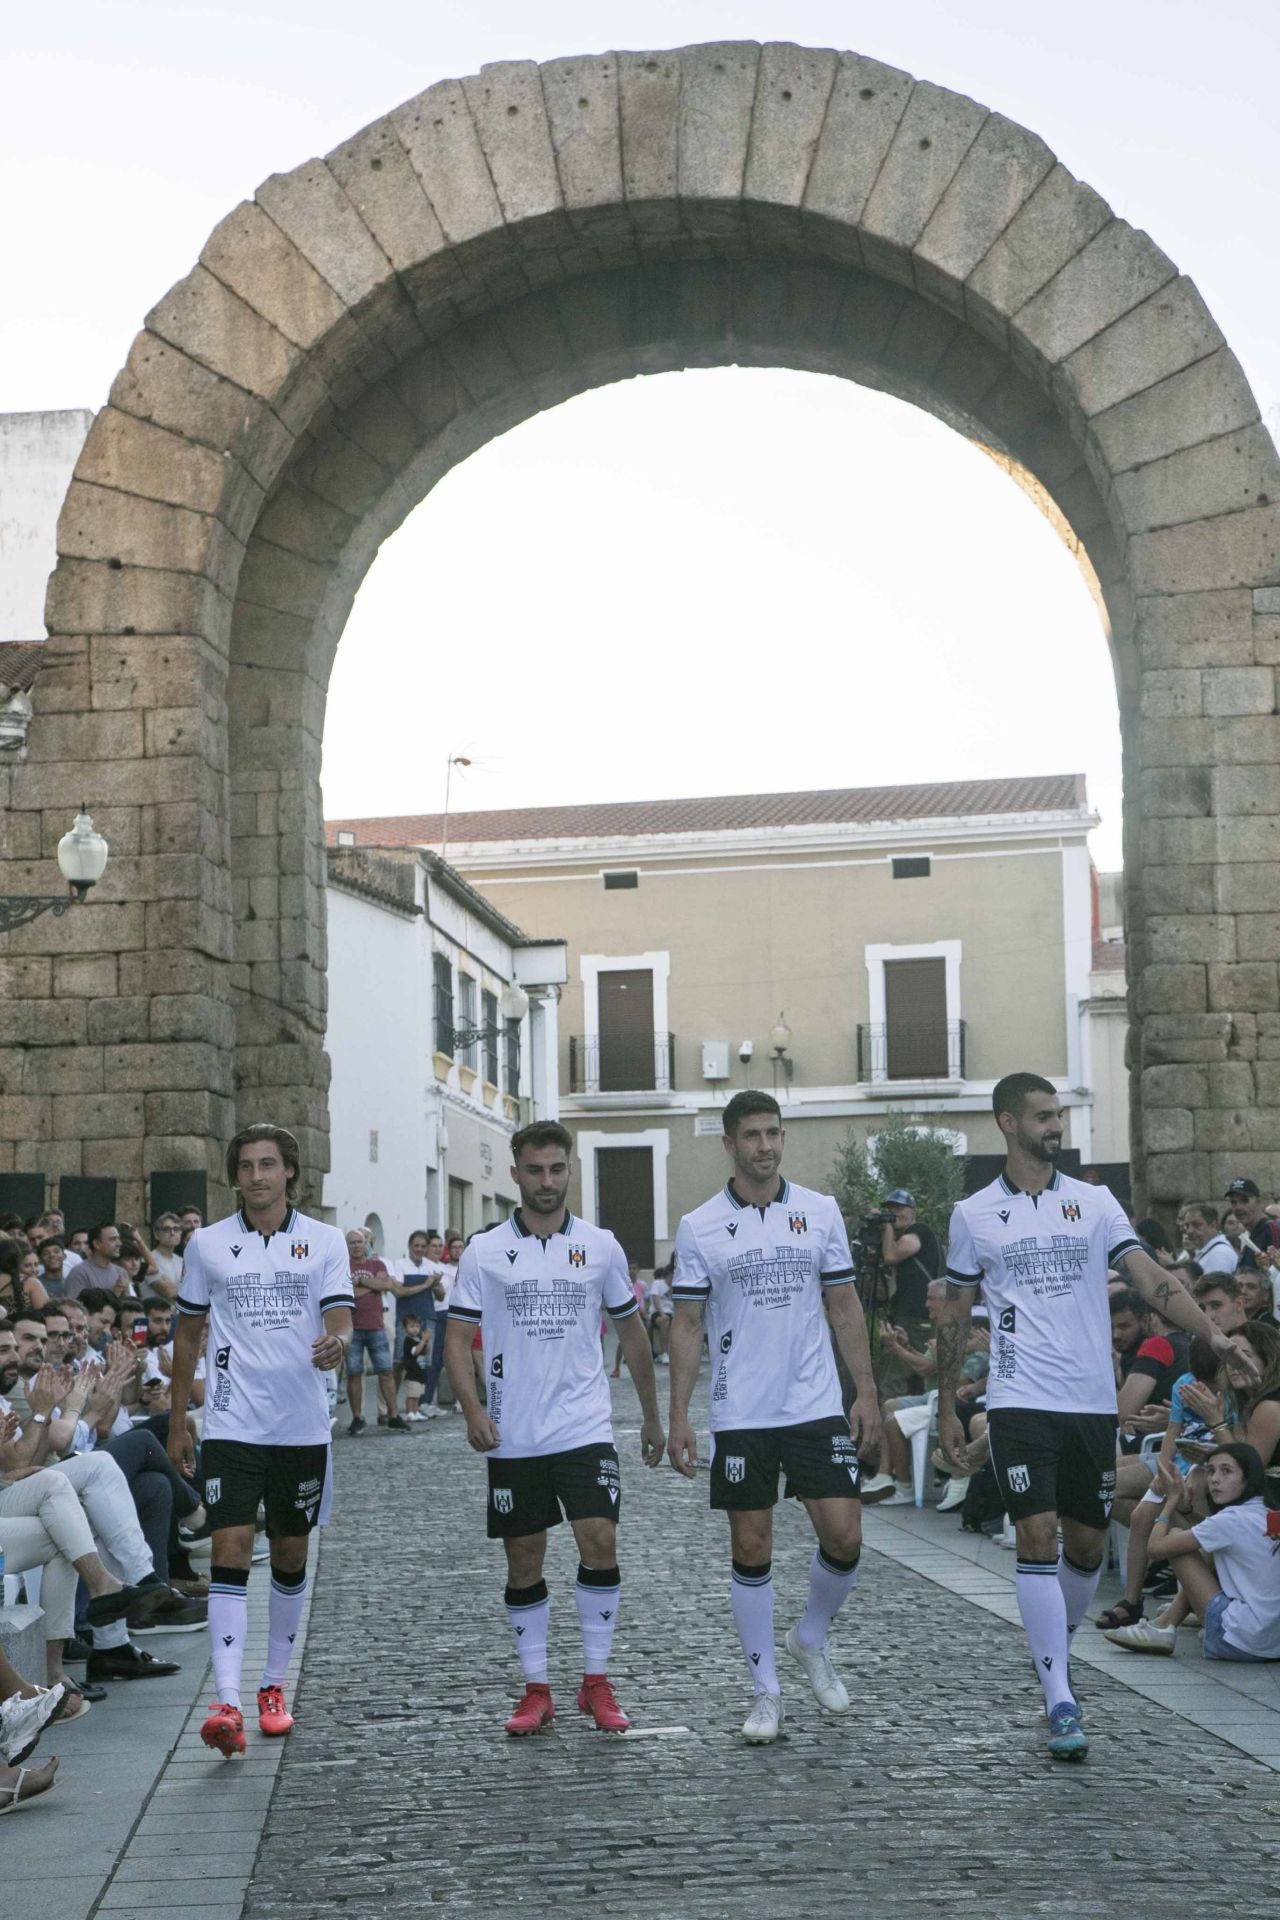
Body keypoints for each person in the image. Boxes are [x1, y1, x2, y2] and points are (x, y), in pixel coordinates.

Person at [936, 1071, 1256, 1762]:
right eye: (1044, 1117)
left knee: (1084, 1548)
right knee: (1037, 1534)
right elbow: (957, 1317)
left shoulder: (1094, 1202)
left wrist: (1216, 1335)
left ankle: (1055, 1652)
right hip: (1019, 1398)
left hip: (1087, 1402)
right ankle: (1059, 1697)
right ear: (1008, 1123)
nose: (1056, 1127)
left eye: (1059, 1116)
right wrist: (944, 1407)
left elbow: (1154, 1282)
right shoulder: (974, 1215)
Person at [667, 1090, 881, 1745]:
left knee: (844, 1536)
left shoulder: (819, 1212)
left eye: (774, 1133)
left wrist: (867, 1392)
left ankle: (810, 1636)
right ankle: (766, 1693)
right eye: (752, 1135)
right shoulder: (700, 1225)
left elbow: (843, 1306)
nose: (765, 1145)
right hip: (742, 1412)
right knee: (751, 1546)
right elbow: (687, 1323)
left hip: (814, 1404)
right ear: (729, 1143)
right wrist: (679, 1415)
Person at [444, 1121, 664, 1737]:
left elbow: (632, 1333)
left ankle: (596, 1680)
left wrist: (649, 1415)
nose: (547, 1181)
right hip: (514, 1434)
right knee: (525, 1558)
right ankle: (535, 1686)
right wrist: (473, 1411)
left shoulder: (600, 1246)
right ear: (515, 1173)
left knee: (599, 1540)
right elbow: (456, 1341)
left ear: (571, 1171)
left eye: (557, 1169)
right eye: (535, 1170)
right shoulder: (485, 1251)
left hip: (584, 1427)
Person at [167, 1122, 354, 1757]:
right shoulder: (208, 1245)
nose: (257, 1176)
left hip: (300, 1426)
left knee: (291, 1554)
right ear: (236, 1175)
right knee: (231, 1545)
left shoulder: (325, 1241)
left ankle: (274, 1685)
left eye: (268, 1165)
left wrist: (339, 1341)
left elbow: (340, 1315)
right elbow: (188, 1337)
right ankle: (226, 1701)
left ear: (289, 1173)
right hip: (231, 1423)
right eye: (246, 1165)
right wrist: (176, 1422)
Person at [1117, 1445, 1280, 1661]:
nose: (1214, 1479)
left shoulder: (1230, 1520)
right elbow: (1207, 1532)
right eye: (1211, 1471)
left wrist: (1170, 1502)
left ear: (1248, 1478)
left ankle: (1165, 1626)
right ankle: (1166, 1623)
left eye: (1226, 1471)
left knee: (1175, 1537)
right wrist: (1185, 1511)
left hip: (1242, 1640)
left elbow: (1156, 1548)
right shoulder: (1267, 1511)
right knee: (1196, 1543)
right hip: (1272, 1642)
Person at [345, 1228, 408, 1434]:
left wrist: (362, 1282)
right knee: (354, 1373)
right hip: (352, 1328)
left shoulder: (377, 1264)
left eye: (359, 1242)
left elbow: (386, 1285)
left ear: (366, 1243)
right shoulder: (342, 1265)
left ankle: (393, 1415)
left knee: (386, 1372)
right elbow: (345, 1292)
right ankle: (357, 1418)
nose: (356, 1245)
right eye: (351, 1242)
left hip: (376, 1326)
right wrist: (374, 1286)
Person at [878, 1189, 941, 1351]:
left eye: (899, 1209)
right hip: (909, 1316)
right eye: (890, 1210)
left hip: (915, 1317)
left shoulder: (919, 1230)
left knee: (900, 1372)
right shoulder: (901, 1238)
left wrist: (887, 1224)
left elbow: (890, 1256)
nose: (894, 1214)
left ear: (914, 1212)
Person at [390, 1229, 447, 1404]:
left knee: (425, 1363)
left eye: (423, 1246)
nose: (420, 1249)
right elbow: (398, 1292)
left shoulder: (432, 1266)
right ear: (409, 1246)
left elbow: (441, 1295)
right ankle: (389, 1408)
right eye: (416, 1245)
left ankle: (420, 1404)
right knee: (400, 1362)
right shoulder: (399, 1264)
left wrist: (435, 1285)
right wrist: (426, 1284)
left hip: (427, 1318)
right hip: (405, 1320)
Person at [61, 1225, 128, 1300]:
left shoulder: (121, 1272)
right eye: (113, 1239)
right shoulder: (80, 1273)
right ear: (97, 1244)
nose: (119, 1243)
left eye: (119, 1239)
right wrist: (113, 1294)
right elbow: (73, 1308)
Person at [1177, 1203, 1237, 1276]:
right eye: (1186, 1225)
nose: (1189, 1231)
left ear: (1213, 1225)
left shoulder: (1219, 1255)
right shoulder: (1206, 1251)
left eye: (1196, 1225)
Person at [148, 1213, 184, 1298]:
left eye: (176, 1229)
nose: (172, 1233)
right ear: (157, 1234)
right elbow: (168, 1292)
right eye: (167, 1229)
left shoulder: (182, 1261)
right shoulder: (149, 1259)